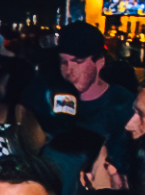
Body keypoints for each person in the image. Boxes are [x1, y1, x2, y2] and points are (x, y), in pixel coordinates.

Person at [52, 23, 137, 165]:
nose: (69, 71)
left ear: (99, 62)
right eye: (64, 62)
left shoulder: (122, 104)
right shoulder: (54, 97)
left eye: (78, 62)